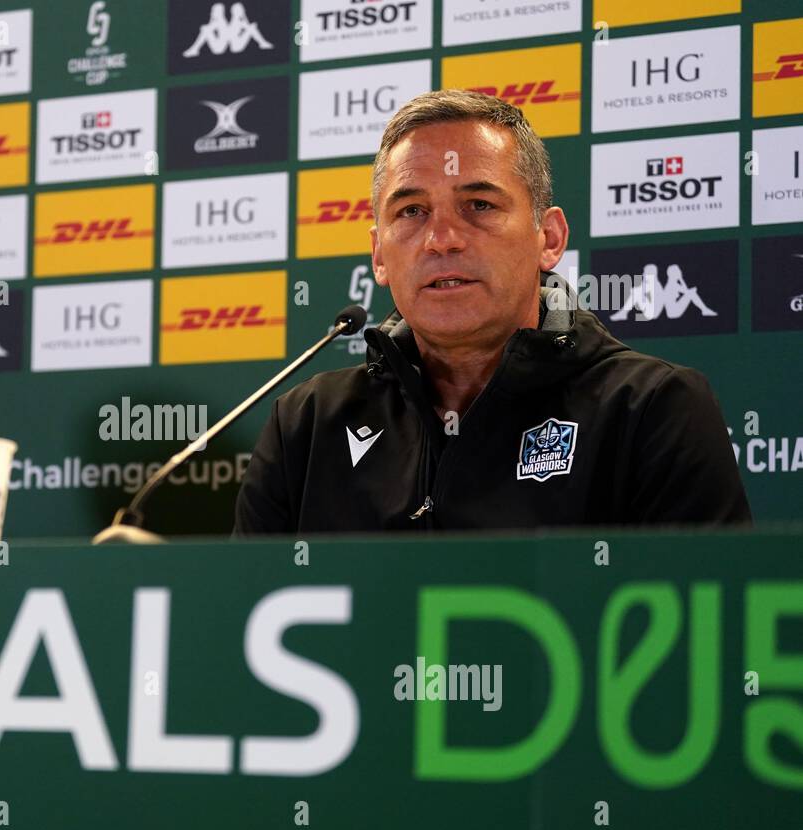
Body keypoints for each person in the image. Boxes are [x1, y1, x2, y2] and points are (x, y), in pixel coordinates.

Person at [235, 90, 751, 534]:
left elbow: (708, 637)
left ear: (548, 239)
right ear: (378, 255)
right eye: (411, 211)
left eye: (479, 205)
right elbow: (240, 625)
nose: (442, 239)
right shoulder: (305, 425)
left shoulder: (653, 409)